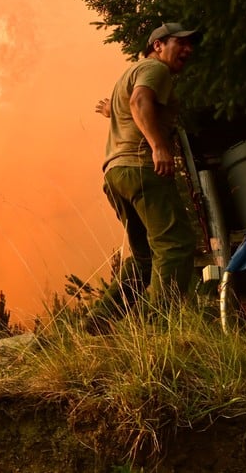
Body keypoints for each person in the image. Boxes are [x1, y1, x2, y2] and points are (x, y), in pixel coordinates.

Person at [92, 22, 201, 326]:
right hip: (141, 169)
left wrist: (110, 112)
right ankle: (162, 329)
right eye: (180, 43)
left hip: (115, 174)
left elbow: (130, 108)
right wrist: (159, 147)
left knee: (143, 258)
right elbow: (139, 102)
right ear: (158, 46)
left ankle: (100, 322)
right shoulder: (156, 70)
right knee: (175, 244)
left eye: (191, 44)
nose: (188, 49)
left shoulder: (130, 73)